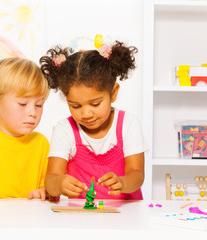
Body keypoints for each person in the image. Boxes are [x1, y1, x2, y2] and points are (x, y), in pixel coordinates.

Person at [39, 40, 148, 200]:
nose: (86, 113)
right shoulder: (65, 129)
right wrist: (59, 184)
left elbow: (137, 174)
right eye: (75, 106)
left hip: (126, 216)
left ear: (113, 93)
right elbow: (51, 179)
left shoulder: (127, 123)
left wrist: (123, 183)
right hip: (82, 217)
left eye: (95, 104)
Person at [0, 57, 50, 200]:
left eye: (38, 105)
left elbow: (47, 188)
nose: (33, 112)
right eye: (23, 104)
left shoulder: (41, 144)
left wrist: (44, 192)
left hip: (29, 220)